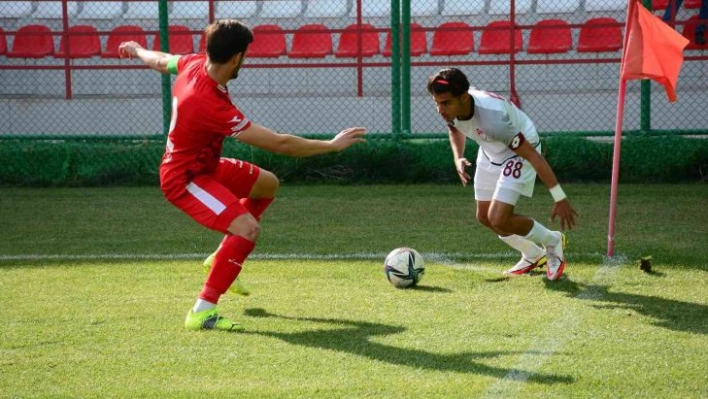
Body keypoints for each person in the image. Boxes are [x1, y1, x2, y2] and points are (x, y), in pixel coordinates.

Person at [118, 20, 366, 332]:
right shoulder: (209, 103)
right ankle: (202, 310)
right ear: (237, 58)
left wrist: (137, 49)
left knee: (267, 184)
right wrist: (330, 146)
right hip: (186, 179)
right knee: (247, 229)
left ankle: (221, 257)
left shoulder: (193, 64)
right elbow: (280, 143)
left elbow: (160, 60)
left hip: (205, 165)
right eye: (245, 54)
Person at [426, 68, 577, 280]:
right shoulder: (453, 108)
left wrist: (560, 197)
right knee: (484, 217)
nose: (440, 110)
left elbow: (534, 157)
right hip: (490, 149)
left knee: (499, 217)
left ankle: (552, 241)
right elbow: (455, 128)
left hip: (520, 153)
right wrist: (457, 157)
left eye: (445, 103)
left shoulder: (493, 120)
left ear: (463, 97)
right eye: (436, 103)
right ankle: (533, 254)